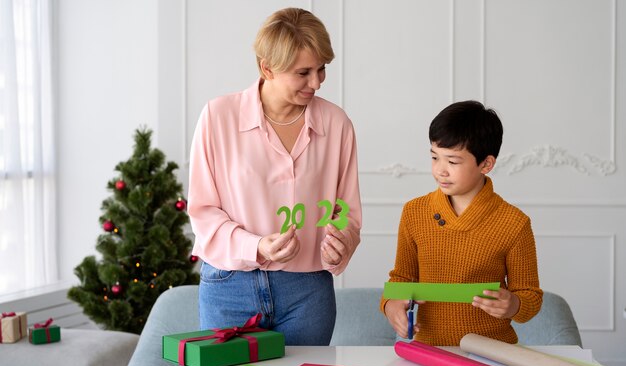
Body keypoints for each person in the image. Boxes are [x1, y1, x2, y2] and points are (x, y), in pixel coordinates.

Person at [187, 8, 361, 346]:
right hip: (229, 285)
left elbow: (347, 212)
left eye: (322, 68)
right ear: (267, 68)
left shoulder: (337, 124)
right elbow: (203, 212)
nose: (317, 82)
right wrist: (257, 245)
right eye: (303, 72)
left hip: (308, 291)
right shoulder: (217, 117)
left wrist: (343, 243)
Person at [381, 100, 542, 346]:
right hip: (428, 352)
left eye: (453, 162)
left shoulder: (514, 223)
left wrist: (514, 305)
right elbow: (401, 278)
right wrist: (390, 304)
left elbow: (530, 296)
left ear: (486, 164)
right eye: (435, 157)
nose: (440, 170)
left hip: (492, 354)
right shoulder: (414, 212)